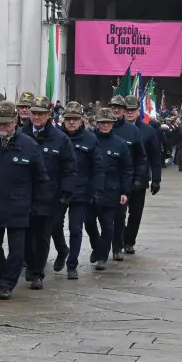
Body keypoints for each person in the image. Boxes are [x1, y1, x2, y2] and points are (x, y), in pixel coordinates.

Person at [0, 100, 47, 300]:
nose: (3, 127)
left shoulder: (29, 146)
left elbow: (41, 178)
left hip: (19, 206)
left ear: (15, 121)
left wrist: (39, 204)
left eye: (6, 123)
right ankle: (5, 272)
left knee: (17, 250)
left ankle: (6, 284)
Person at [22, 96, 76, 288]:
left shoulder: (60, 139)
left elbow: (70, 168)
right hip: (24, 195)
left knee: (43, 236)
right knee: (25, 236)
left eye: (41, 113)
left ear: (48, 115)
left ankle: (38, 273)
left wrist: (66, 193)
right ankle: (30, 264)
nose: (37, 117)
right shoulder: (21, 135)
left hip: (49, 196)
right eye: (34, 113)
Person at [58, 101, 103, 278]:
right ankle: (62, 249)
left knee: (75, 229)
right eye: (68, 118)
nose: (71, 122)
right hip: (59, 190)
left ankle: (72, 265)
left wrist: (97, 190)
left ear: (81, 120)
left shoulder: (90, 139)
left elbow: (97, 167)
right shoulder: (57, 137)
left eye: (75, 119)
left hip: (80, 191)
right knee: (54, 226)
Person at [91, 108, 133, 271]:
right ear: (97, 123)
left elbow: (127, 169)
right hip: (91, 190)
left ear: (112, 124)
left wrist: (125, 191)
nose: (105, 125)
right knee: (89, 223)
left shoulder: (120, 144)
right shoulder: (90, 140)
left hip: (111, 190)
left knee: (108, 225)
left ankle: (102, 257)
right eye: (102, 122)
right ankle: (97, 247)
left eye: (108, 122)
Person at [107, 94, 146, 264]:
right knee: (103, 218)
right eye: (113, 107)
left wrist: (138, 178)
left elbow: (141, 158)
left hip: (125, 180)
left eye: (119, 108)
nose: (116, 110)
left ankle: (118, 247)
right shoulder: (102, 127)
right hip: (105, 180)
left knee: (120, 215)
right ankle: (101, 245)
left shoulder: (132, 131)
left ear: (124, 110)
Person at [122, 94, 161, 256]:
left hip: (140, 177)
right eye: (127, 110)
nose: (130, 112)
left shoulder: (148, 130)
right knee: (117, 213)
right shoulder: (116, 129)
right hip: (120, 178)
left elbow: (155, 156)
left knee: (136, 213)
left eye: (133, 110)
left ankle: (129, 241)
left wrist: (156, 179)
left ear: (139, 111)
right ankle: (121, 237)